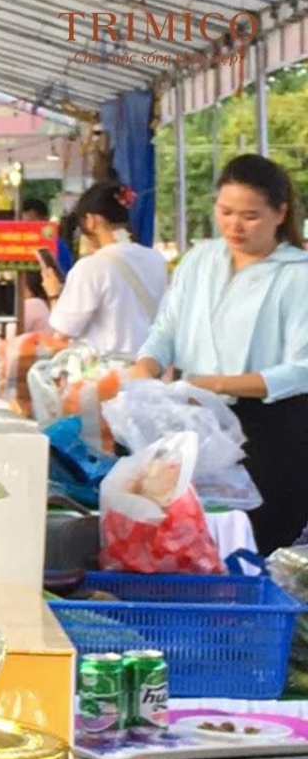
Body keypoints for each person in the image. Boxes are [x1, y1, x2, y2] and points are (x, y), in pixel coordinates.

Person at [132, 153, 308, 553]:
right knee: (191, 535)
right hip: (197, 419)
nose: (234, 226)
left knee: (256, 542)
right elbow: (165, 329)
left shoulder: (298, 274)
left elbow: (301, 369)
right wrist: (146, 366)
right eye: (225, 212)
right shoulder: (200, 261)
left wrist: (216, 384)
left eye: (250, 216)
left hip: (272, 429)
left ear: (280, 214)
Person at [40, 180, 166, 351]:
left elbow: (64, 330)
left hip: (108, 365)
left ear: (91, 220)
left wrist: (53, 293)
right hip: (149, 363)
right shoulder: (155, 259)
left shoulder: (91, 267)